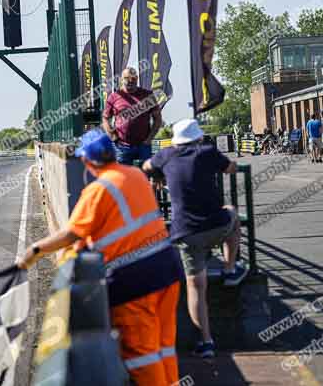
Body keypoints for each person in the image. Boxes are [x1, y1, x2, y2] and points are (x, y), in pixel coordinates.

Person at [19, 129, 182, 385]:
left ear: (85, 160)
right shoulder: (136, 175)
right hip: (168, 268)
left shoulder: (97, 191)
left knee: (142, 353)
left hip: (135, 281)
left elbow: (71, 234)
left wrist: (34, 251)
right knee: (165, 345)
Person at [143, 118, 248, 358]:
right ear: (198, 137)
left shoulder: (167, 154)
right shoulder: (208, 152)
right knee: (232, 213)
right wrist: (228, 164)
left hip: (185, 233)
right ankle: (230, 269)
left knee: (195, 287)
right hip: (215, 226)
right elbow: (230, 168)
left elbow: (147, 165)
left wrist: (159, 175)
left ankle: (206, 342)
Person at [102, 67, 163, 165]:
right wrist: (113, 137)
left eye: (133, 78)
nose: (130, 81)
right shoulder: (114, 97)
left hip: (144, 145)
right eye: (126, 78)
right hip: (122, 146)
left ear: (137, 79)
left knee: (146, 175)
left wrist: (149, 139)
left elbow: (158, 119)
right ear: (121, 79)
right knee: (122, 177)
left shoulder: (147, 95)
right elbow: (105, 118)